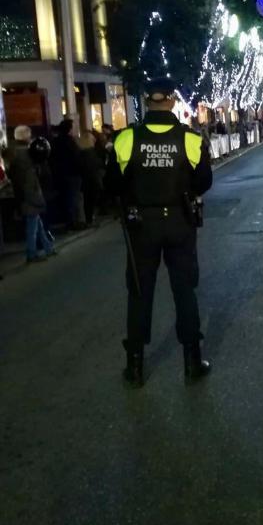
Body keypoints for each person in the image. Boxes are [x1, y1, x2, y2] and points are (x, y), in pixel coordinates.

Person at [105, 78, 213, 388]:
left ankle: (135, 366)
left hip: (142, 225)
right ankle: (192, 361)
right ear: (173, 101)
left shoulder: (127, 138)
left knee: (140, 292)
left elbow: (112, 184)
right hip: (179, 222)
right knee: (184, 290)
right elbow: (204, 181)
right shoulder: (189, 139)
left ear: (147, 101)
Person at [7, 126, 56, 263]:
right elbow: (29, 184)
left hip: (24, 197)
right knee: (32, 228)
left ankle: (47, 247)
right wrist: (38, 200)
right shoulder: (27, 159)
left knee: (37, 225)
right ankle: (32, 253)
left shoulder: (15, 155)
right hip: (30, 199)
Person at [50, 118, 84, 230]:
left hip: (61, 174)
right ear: (70, 129)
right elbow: (76, 158)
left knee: (67, 197)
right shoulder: (70, 142)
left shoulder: (55, 141)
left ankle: (70, 221)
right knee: (74, 197)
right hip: (73, 173)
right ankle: (75, 221)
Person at [79, 131, 105, 226]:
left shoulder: (81, 152)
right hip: (92, 180)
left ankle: (89, 218)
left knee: (87, 201)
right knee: (90, 200)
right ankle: (90, 219)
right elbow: (96, 165)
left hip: (86, 180)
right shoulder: (90, 152)